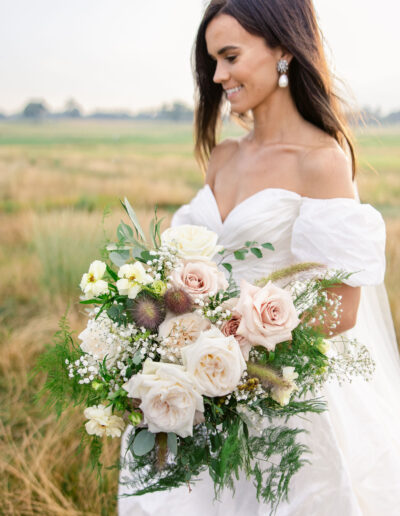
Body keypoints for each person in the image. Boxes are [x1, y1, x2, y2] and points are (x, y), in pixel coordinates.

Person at [118, 1, 400, 514]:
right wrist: (160, 340)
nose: (218, 75)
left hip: (283, 396)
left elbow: (342, 309)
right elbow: (184, 269)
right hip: (196, 386)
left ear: (284, 51)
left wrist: (236, 360)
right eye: (212, 62)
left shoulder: (322, 163)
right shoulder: (223, 156)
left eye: (229, 56)